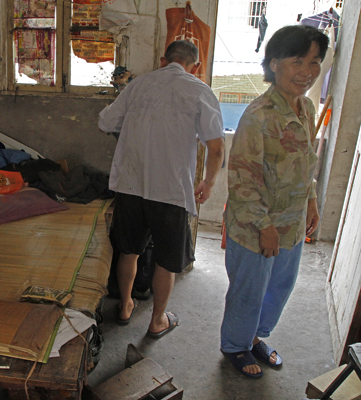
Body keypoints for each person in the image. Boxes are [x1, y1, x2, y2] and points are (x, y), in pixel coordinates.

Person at [220, 25, 329, 378]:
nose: (307, 72)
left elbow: (306, 161)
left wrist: (311, 201)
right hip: (256, 227)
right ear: (274, 63)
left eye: (314, 62)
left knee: (278, 288)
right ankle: (235, 346)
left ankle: (253, 337)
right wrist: (264, 226)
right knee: (249, 291)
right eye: (298, 61)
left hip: (291, 224)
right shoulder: (259, 115)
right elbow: (242, 180)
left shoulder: (306, 108)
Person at [98, 40, 225, 338]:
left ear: (162, 60)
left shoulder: (138, 85)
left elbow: (105, 122)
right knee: (166, 262)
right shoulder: (200, 90)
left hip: (131, 185)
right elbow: (217, 148)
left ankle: (125, 306)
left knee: (129, 251)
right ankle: (157, 321)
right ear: (196, 66)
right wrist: (209, 182)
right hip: (171, 191)